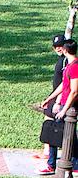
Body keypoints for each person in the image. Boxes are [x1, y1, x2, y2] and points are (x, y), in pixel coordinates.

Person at [41, 38, 78, 174]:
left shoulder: (75, 67)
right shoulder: (69, 65)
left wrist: (64, 109)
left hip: (68, 106)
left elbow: (74, 91)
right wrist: (49, 98)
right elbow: (63, 85)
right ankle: (74, 163)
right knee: (68, 133)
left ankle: (52, 164)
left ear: (66, 50)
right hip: (63, 103)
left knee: (54, 131)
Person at [36, 34, 69, 170]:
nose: (58, 48)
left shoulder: (67, 62)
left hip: (61, 99)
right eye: (55, 46)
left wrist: (57, 101)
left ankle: (52, 162)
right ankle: (49, 155)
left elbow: (66, 84)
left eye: (60, 46)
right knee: (51, 126)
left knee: (57, 130)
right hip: (56, 97)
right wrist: (50, 98)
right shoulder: (62, 60)